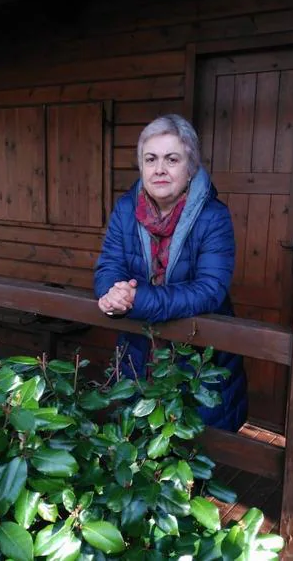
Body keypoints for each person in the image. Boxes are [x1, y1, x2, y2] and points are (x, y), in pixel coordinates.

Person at [94, 114, 247, 432]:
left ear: (190, 167)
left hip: (200, 359)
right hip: (139, 350)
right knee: (137, 445)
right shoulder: (126, 208)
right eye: (150, 159)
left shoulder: (213, 216)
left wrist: (137, 300)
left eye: (171, 159)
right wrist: (111, 293)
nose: (159, 169)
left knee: (193, 454)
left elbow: (209, 290)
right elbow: (110, 265)